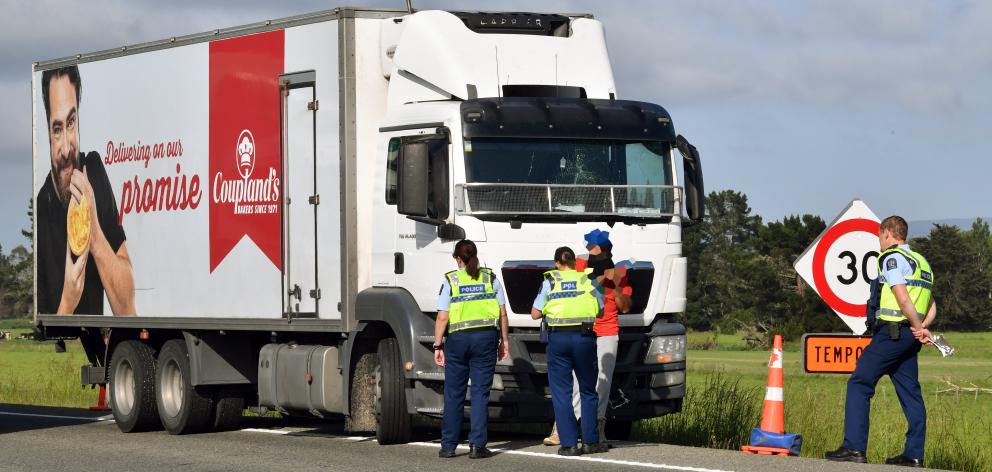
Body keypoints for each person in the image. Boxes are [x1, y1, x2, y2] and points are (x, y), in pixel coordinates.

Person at [826, 216, 936, 467]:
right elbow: (931, 305)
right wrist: (922, 329)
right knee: (911, 394)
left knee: (860, 382)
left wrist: (918, 327)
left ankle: (853, 448)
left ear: (888, 233)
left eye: (879, 236)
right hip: (909, 337)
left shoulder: (891, 258)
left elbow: (902, 298)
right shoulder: (922, 262)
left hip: (892, 333)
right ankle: (914, 455)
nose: (879, 242)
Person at [36, 65, 135, 316]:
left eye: (71, 122)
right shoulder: (42, 209)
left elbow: (127, 309)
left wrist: (95, 235)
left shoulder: (93, 173)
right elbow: (48, 340)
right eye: (57, 129)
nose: (67, 148)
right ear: (48, 134)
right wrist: (68, 300)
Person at [544, 229, 632, 447]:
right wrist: (603, 277)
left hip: (607, 330)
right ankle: (563, 427)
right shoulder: (582, 267)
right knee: (574, 381)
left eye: (595, 248)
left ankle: (597, 428)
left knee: (602, 382)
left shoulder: (621, 272)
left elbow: (626, 307)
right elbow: (585, 284)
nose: (591, 252)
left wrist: (618, 285)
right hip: (582, 329)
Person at [433, 240, 510, 459]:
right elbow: (502, 313)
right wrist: (504, 341)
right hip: (485, 339)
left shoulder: (451, 280)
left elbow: (442, 316)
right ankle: (477, 445)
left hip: (458, 340)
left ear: (458, 258)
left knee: (454, 393)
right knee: (479, 393)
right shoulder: (491, 278)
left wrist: (438, 345)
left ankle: (448, 446)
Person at [531, 246, 608, 456]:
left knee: (562, 392)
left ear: (557, 263)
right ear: (574, 262)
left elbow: (535, 314)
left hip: (558, 340)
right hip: (584, 338)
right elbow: (600, 310)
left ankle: (569, 444)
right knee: (588, 390)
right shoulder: (588, 280)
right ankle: (591, 442)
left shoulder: (550, 281)